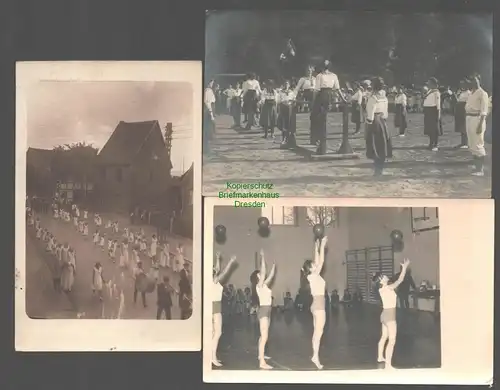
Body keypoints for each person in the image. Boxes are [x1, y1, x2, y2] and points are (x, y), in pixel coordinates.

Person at [372, 258, 411, 369]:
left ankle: (380, 357)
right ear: (381, 281)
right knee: (392, 340)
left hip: (384, 315)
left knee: (384, 337)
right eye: (383, 276)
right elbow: (400, 280)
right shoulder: (388, 287)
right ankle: (388, 365)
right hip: (389, 316)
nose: (386, 276)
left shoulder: (382, 289)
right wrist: (404, 268)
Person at [301, 235, 328, 369]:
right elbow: (321, 261)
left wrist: (316, 246)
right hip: (318, 305)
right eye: (312, 265)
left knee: (316, 332)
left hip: (316, 304)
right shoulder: (313, 275)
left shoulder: (312, 275)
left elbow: (317, 261)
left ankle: (314, 355)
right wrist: (322, 245)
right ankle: (316, 357)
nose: (315, 264)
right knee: (319, 332)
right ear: (311, 268)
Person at [250, 249, 276, 370]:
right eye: (260, 273)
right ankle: (262, 362)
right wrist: (263, 257)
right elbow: (265, 272)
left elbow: (269, 276)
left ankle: (261, 355)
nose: (262, 273)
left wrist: (274, 267)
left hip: (268, 310)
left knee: (263, 336)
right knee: (264, 336)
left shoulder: (264, 285)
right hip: (264, 311)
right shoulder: (259, 285)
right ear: (258, 277)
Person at [212, 252, 237, 367]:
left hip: (212, 307)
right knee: (217, 333)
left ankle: (212, 356)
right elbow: (224, 272)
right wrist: (230, 262)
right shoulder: (215, 280)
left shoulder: (212, 280)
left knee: (213, 334)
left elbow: (217, 269)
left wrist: (217, 259)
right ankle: (212, 357)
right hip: (215, 308)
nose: (216, 269)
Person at [365, 77, 392, 176]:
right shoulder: (384, 97)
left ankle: (377, 170)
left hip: (374, 121)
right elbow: (385, 111)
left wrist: (369, 123)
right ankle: (380, 168)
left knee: (375, 145)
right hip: (382, 120)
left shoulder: (373, 98)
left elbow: (370, 112)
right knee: (382, 144)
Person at [311, 60, 340, 154]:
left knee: (320, 119)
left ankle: (320, 142)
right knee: (318, 118)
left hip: (326, 96)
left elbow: (337, 89)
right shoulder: (320, 76)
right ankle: (319, 140)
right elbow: (317, 90)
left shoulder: (332, 76)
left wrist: (343, 99)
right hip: (323, 95)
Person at [465, 74, 489, 176]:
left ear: (479, 81)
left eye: (476, 80)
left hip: (477, 119)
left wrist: (480, 125)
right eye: (472, 80)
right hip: (469, 118)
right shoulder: (471, 93)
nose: (474, 82)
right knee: (471, 142)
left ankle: (480, 169)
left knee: (478, 142)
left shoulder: (482, 93)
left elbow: (484, 110)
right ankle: (476, 165)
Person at [423, 78, 441, 151]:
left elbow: (438, 104)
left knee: (434, 129)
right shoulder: (429, 91)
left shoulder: (436, 92)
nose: (428, 84)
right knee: (429, 129)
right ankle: (431, 143)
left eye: (429, 83)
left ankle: (435, 145)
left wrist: (438, 113)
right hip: (428, 111)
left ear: (433, 84)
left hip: (433, 111)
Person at [278, 80, 297, 147]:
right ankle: (284, 139)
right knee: (284, 124)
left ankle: (291, 140)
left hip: (290, 108)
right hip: (283, 108)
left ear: (289, 85)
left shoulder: (291, 92)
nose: (286, 85)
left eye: (287, 84)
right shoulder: (281, 92)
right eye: (285, 84)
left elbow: (294, 99)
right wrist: (283, 103)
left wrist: (292, 102)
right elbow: (279, 100)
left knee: (290, 123)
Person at [454, 79, 471, 149]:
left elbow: (468, 103)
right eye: (461, 84)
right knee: (461, 126)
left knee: (464, 126)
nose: (461, 85)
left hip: (464, 110)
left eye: (463, 84)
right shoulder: (460, 92)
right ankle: (462, 142)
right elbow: (458, 100)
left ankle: (465, 143)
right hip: (459, 110)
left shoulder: (468, 93)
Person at [203, 79, 216, 156]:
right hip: (208, 111)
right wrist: (211, 113)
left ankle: (207, 148)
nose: (212, 83)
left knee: (208, 129)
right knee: (208, 130)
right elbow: (207, 102)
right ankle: (206, 149)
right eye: (211, 82)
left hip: (209, 109)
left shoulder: (208, 90)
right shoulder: (208, 91)